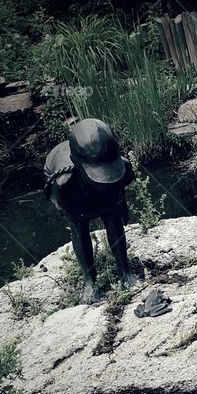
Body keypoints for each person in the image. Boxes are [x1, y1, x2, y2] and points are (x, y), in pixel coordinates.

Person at [44, 118, 139, 303]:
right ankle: (89, 281)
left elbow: (119, 188)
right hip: (72, 185)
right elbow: (64, 209)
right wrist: (69, 210)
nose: (106, 182)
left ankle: (125, 272)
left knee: (112, 217)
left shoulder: (124, 166)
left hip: (88, 173)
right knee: (79, 226)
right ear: (75, 163)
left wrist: (120, 204)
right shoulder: (63, 184)